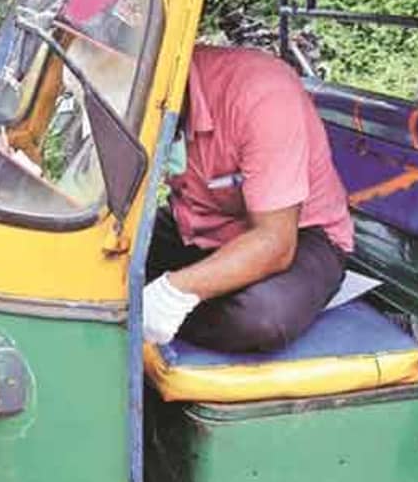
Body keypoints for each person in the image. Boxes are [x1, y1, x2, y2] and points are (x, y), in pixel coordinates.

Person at [142, 45, 354, 352]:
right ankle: (150, 307)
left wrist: (173, 293)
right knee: (97, 261)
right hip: (200, 224)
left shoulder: (262, 94)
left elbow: (275, 242)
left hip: (298, 235)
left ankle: (146, 312)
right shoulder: (140, 94)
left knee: (261, 319)